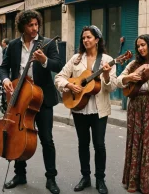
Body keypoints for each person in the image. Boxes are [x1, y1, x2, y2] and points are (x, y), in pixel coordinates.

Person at [0, 10, 63, 194]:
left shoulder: (48, 43)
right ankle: (20, 174)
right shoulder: (12, 46)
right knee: (18, 137)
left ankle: (51, 179)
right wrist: (5, 80)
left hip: (41, 98)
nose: (35, 28)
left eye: (37, 24)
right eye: (30, 25)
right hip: (20, 97)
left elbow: (58, 65)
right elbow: (3, 68)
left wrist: (44, 61)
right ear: (23, 27)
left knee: (47, 139)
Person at [55, 25, 117, 194]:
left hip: (99, 109)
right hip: (78, 109)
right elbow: (59, 77)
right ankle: (85, 177)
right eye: (83, 38)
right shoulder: (76, 58)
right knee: (83, 144)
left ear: (97, 39)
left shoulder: (107, 60)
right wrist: (69, 85)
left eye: (89, 37)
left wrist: (105, 75)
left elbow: (111, 87)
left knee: (99, 144)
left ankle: (100, 179)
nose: (86, 40)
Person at [117, 34, 149, 194]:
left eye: (143, 45)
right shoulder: (133, 64)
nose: (141, 48)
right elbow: (118, 81)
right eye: (138, 46)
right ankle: (133, 182)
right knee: (135, 141)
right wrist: (128, 78)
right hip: (135, 106)